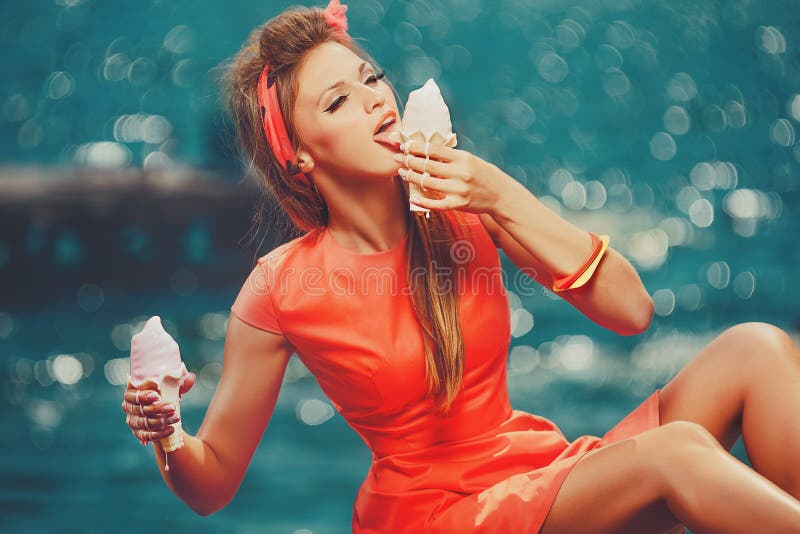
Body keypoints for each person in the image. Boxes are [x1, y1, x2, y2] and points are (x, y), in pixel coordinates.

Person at [120, 1, 800, 532]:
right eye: (339, 102)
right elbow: (211, 486)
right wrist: (167, 433)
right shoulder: (279, 288)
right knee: (678, 450)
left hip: (540, 472)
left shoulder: (465, 200)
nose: (377, 101)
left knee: (758, 350)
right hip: (438, 517)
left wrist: (497, 193)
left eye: (371, 78)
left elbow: (632, 312)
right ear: (299, 154)